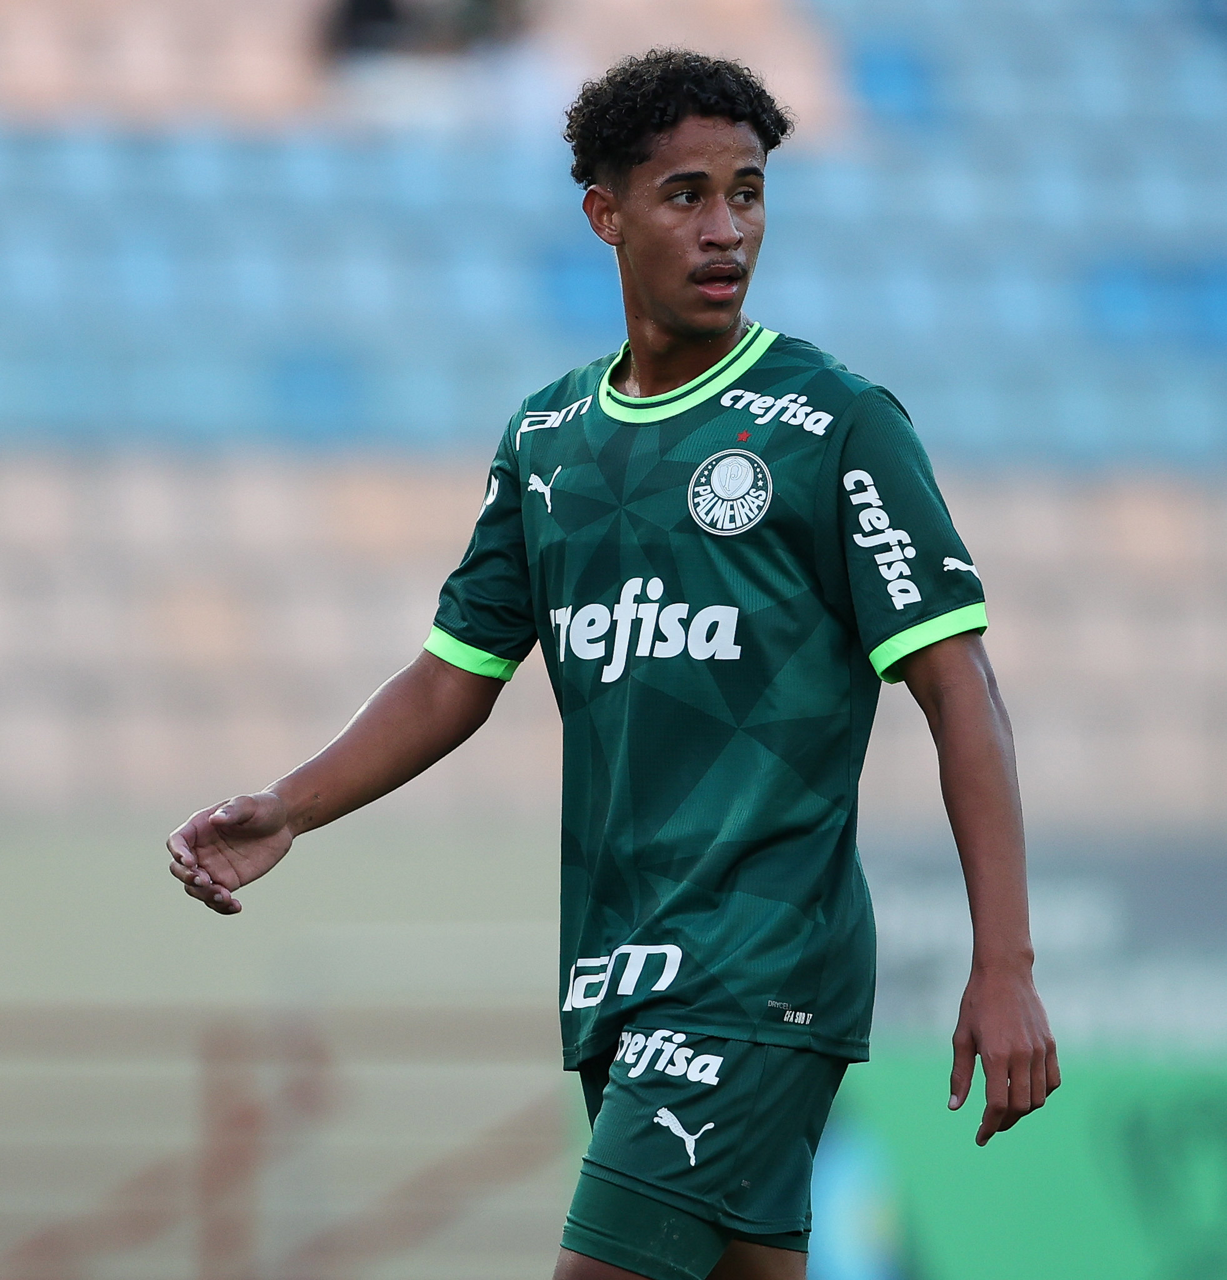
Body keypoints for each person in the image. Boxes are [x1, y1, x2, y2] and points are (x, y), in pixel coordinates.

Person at [168, 49, 1059, 1280]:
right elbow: (451, 675)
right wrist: (291, 805)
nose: (725, 228)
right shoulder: (548, 441)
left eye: (747, 193)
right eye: (686, 194)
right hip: (615, 971)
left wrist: (1004, 963)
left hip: (757, 967)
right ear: (605, 213)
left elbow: (961, 688)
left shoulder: (835, 424)